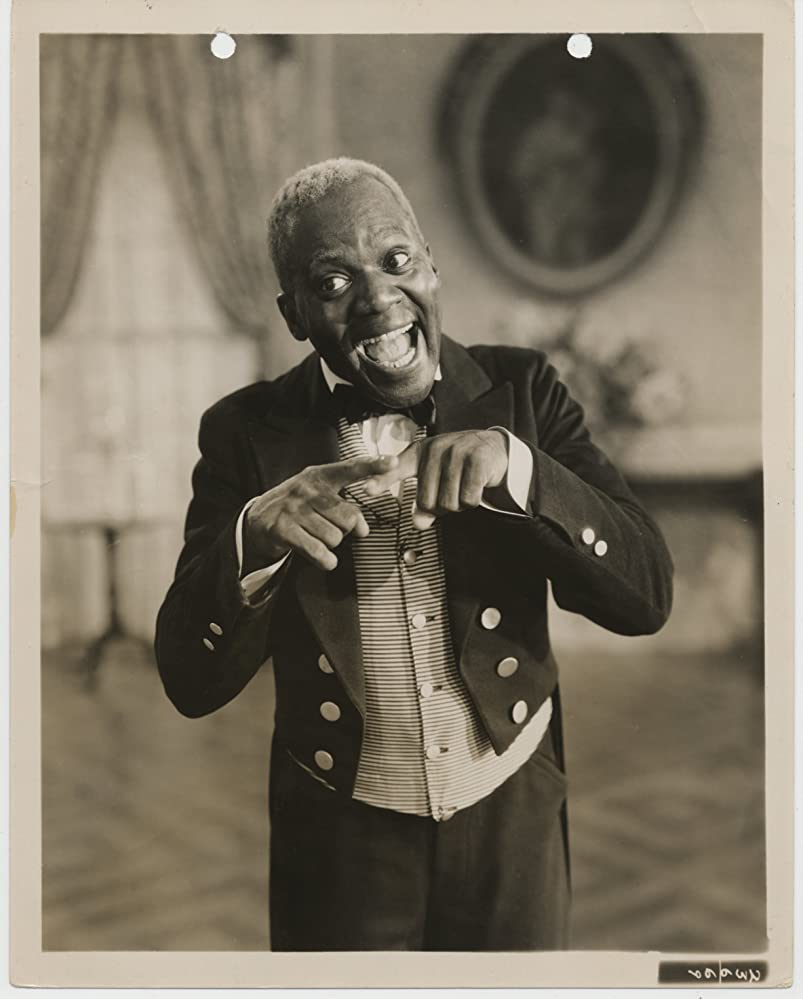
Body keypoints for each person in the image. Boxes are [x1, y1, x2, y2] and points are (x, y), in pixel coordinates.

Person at [155, 157, 673, 952]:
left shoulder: (522, 389)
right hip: (337, 835)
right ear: (293, 313)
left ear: (430, 264)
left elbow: (646, 596)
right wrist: (250, 536)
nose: (377, 298)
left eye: (396, 260)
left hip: (512, 813)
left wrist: (522, 470)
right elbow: (190, 681)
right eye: (333, 282)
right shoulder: (242, 431)